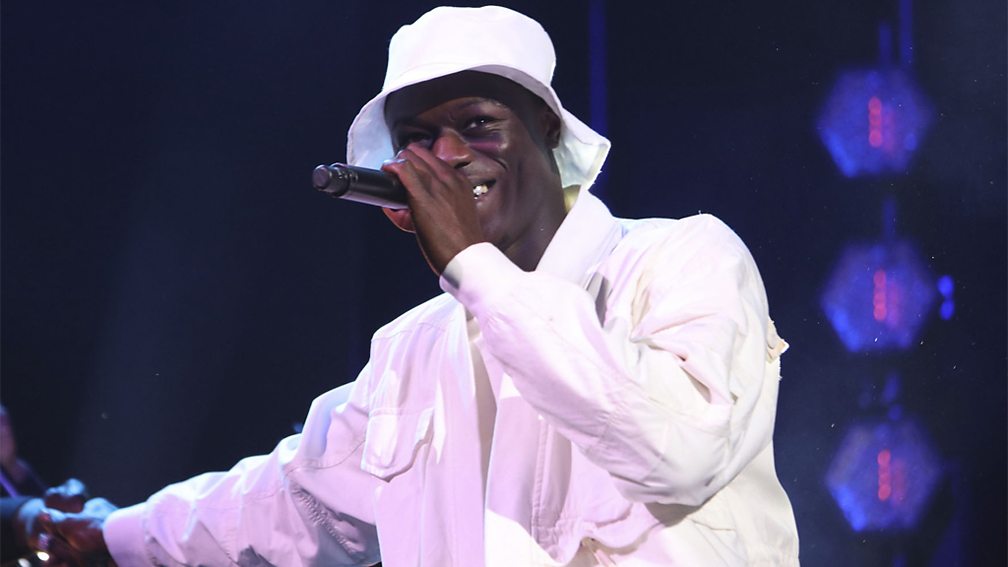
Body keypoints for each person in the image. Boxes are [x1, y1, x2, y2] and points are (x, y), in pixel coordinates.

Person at [42, 5, 800, 565]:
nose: (448, 156)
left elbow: (678, 451)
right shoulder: (410, 352)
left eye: (478, 124)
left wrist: (474, 265)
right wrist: (107, 535)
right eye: (417, 140)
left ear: (546, 126)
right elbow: (284, 502)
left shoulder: (680, 259)